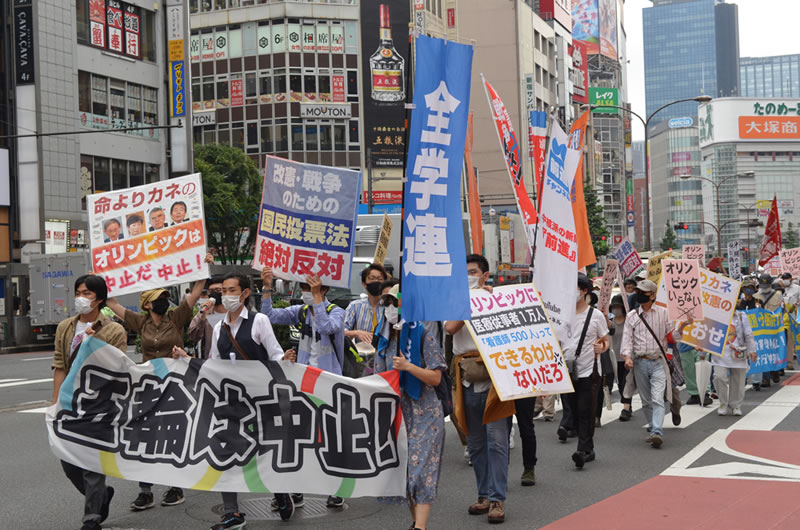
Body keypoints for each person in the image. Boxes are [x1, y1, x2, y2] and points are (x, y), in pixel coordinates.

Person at [175, 273, 291, 528]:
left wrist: (285, 360)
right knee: (224, 451)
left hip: (261, 400)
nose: (225, 295)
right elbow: (215, 365)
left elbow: (275, 355)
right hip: (231, 400)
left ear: (245, 293)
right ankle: (231, 512)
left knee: (265, 451)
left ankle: (280, 492)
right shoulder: (219, 328)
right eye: (223, 290)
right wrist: (187, 359)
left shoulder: (259, 321)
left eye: (231, 290)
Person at [105, 253, 212, 511]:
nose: (164, 301)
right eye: (158, 299)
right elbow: (113, 303)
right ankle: (145, 492)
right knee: (144, 435)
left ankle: (175, 488)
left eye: (165, 297)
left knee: (171, 434)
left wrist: (203, 266)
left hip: (174, 386)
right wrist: (105, 273)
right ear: (147, 305)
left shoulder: (176, 317)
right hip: (148, 386)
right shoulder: (139, 322)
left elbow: (196, 292)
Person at [260, 266, 347, 511]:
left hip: (330, 383)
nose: (307, 292)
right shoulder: (301, 311)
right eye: (305, 287)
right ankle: (296, 491)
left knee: (330, 439)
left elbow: (327, 327)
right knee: (297, 437)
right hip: (304, 382)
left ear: (325, 289)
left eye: (312, 287)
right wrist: (267, 287)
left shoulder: (336, 311)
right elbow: (268, 316)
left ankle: (335, 490)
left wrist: (318, 299)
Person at [51, 275, 127, 530]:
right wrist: (55, 404)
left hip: (98, 406)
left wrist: (92, 345)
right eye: (78, 292)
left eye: (87, 293)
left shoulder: (114, 330)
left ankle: (91, 519)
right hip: (70, 405)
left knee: (91, 463)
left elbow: (117, 369)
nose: (81, 298)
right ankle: (102, 496)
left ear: (100, 299)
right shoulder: (65, 327)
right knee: (69, 461)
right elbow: (60, 366)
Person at [447, 254, 515, 524]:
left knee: (497, 441)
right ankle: (483, 494)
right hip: (466, 377)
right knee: (475, 443)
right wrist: (469, 300)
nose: (469, 277)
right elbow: (451, 328)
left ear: (485, 275)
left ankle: (498, 499)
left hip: (496, 377)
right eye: (465, 273)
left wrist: (485, 300)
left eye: (473, 272)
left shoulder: (499, 300)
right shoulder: (456, 301)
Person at [375, 283, 446, 530]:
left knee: (421, 470)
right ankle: (416, 522)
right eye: (386, 303)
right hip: (398, 412)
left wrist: (409, 367)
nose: (390, 308)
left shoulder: (423, 335)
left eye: (395, 303)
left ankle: (420, 527)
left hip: (425, 411)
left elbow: (436, 377)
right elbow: (377, 377)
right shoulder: (383, 340)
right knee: (405, 474)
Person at [621, 279, 690, 449]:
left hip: (659, 361)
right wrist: (627, 357)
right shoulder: (632, 316)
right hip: (639, 362)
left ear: (652, 295)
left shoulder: (663, 313)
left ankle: (657, 431)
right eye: (638, 292)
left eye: (643, 293)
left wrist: (682, 327)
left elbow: (671, 337)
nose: (639, 295)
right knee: (646, 400)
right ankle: (653, 427)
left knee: (658, 397)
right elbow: (627, 339)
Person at [564, 274, 610, 468]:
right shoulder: (561, 315)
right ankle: (589, 448)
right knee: (573, 411)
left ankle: (582, 450)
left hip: (589, 371)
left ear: (584, 291)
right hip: (567, 371)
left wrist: (603, 347)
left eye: (574, 288)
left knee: (586, 410)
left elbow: (606, 339)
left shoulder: (595, 316)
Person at [713, 302, 757, 416]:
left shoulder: (742, 316)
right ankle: (723, 403)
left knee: (738, 380)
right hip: (720, 354)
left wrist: (752, 350)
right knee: (719, 377)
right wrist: (702, 350)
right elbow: (708, 333)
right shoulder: (715, 315)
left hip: (738, 353)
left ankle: (736, 405)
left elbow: (748, 334)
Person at [344, 263, 389, 345]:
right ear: (364, 283)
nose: (376, 281)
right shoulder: (354, 306)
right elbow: (342, 331)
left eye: (380, 279)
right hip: (361, 355)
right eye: (372, 278)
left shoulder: (390, 306)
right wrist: (357, 333)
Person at [187, 278, 227, 359]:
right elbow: (193, 335)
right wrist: (202, 317)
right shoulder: (204, 312)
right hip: (209, 360)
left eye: (218, 290)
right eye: (211, 291)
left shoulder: (232, 312)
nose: (214, 293)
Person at [754, 274, 782, 387]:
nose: (764, 287)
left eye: (766, 285)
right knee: (763, 351)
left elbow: (781, 310)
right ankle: (766, 377)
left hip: (774, 327)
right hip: (761, 327)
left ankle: (774, 370)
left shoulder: (778, 294)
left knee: (773, 350)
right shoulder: (756, 295)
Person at [609, 295, 633, 421]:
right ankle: (628, 404)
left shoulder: (629, 322)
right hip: (614, 358)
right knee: (619, 385)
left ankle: (626, 407)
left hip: (626, 358)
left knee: (626, 383)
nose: (616, 309)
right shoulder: (610, 324)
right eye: (614, 307)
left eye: (618, 306)